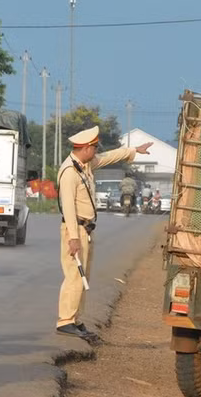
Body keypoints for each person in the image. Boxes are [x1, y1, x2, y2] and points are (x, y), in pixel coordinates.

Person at [55, 126, 153, 339]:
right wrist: (73, 238)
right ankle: (65, 320)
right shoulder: (69, 172)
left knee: (83, 276)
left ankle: (75, 318)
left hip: (86, 229)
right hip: (76, 230)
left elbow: (109, 157)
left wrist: (134, 150)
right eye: (94, 147)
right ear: (86, 148)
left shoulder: (85, 164)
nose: (97, 151)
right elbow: (68, 208)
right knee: (74, 275)